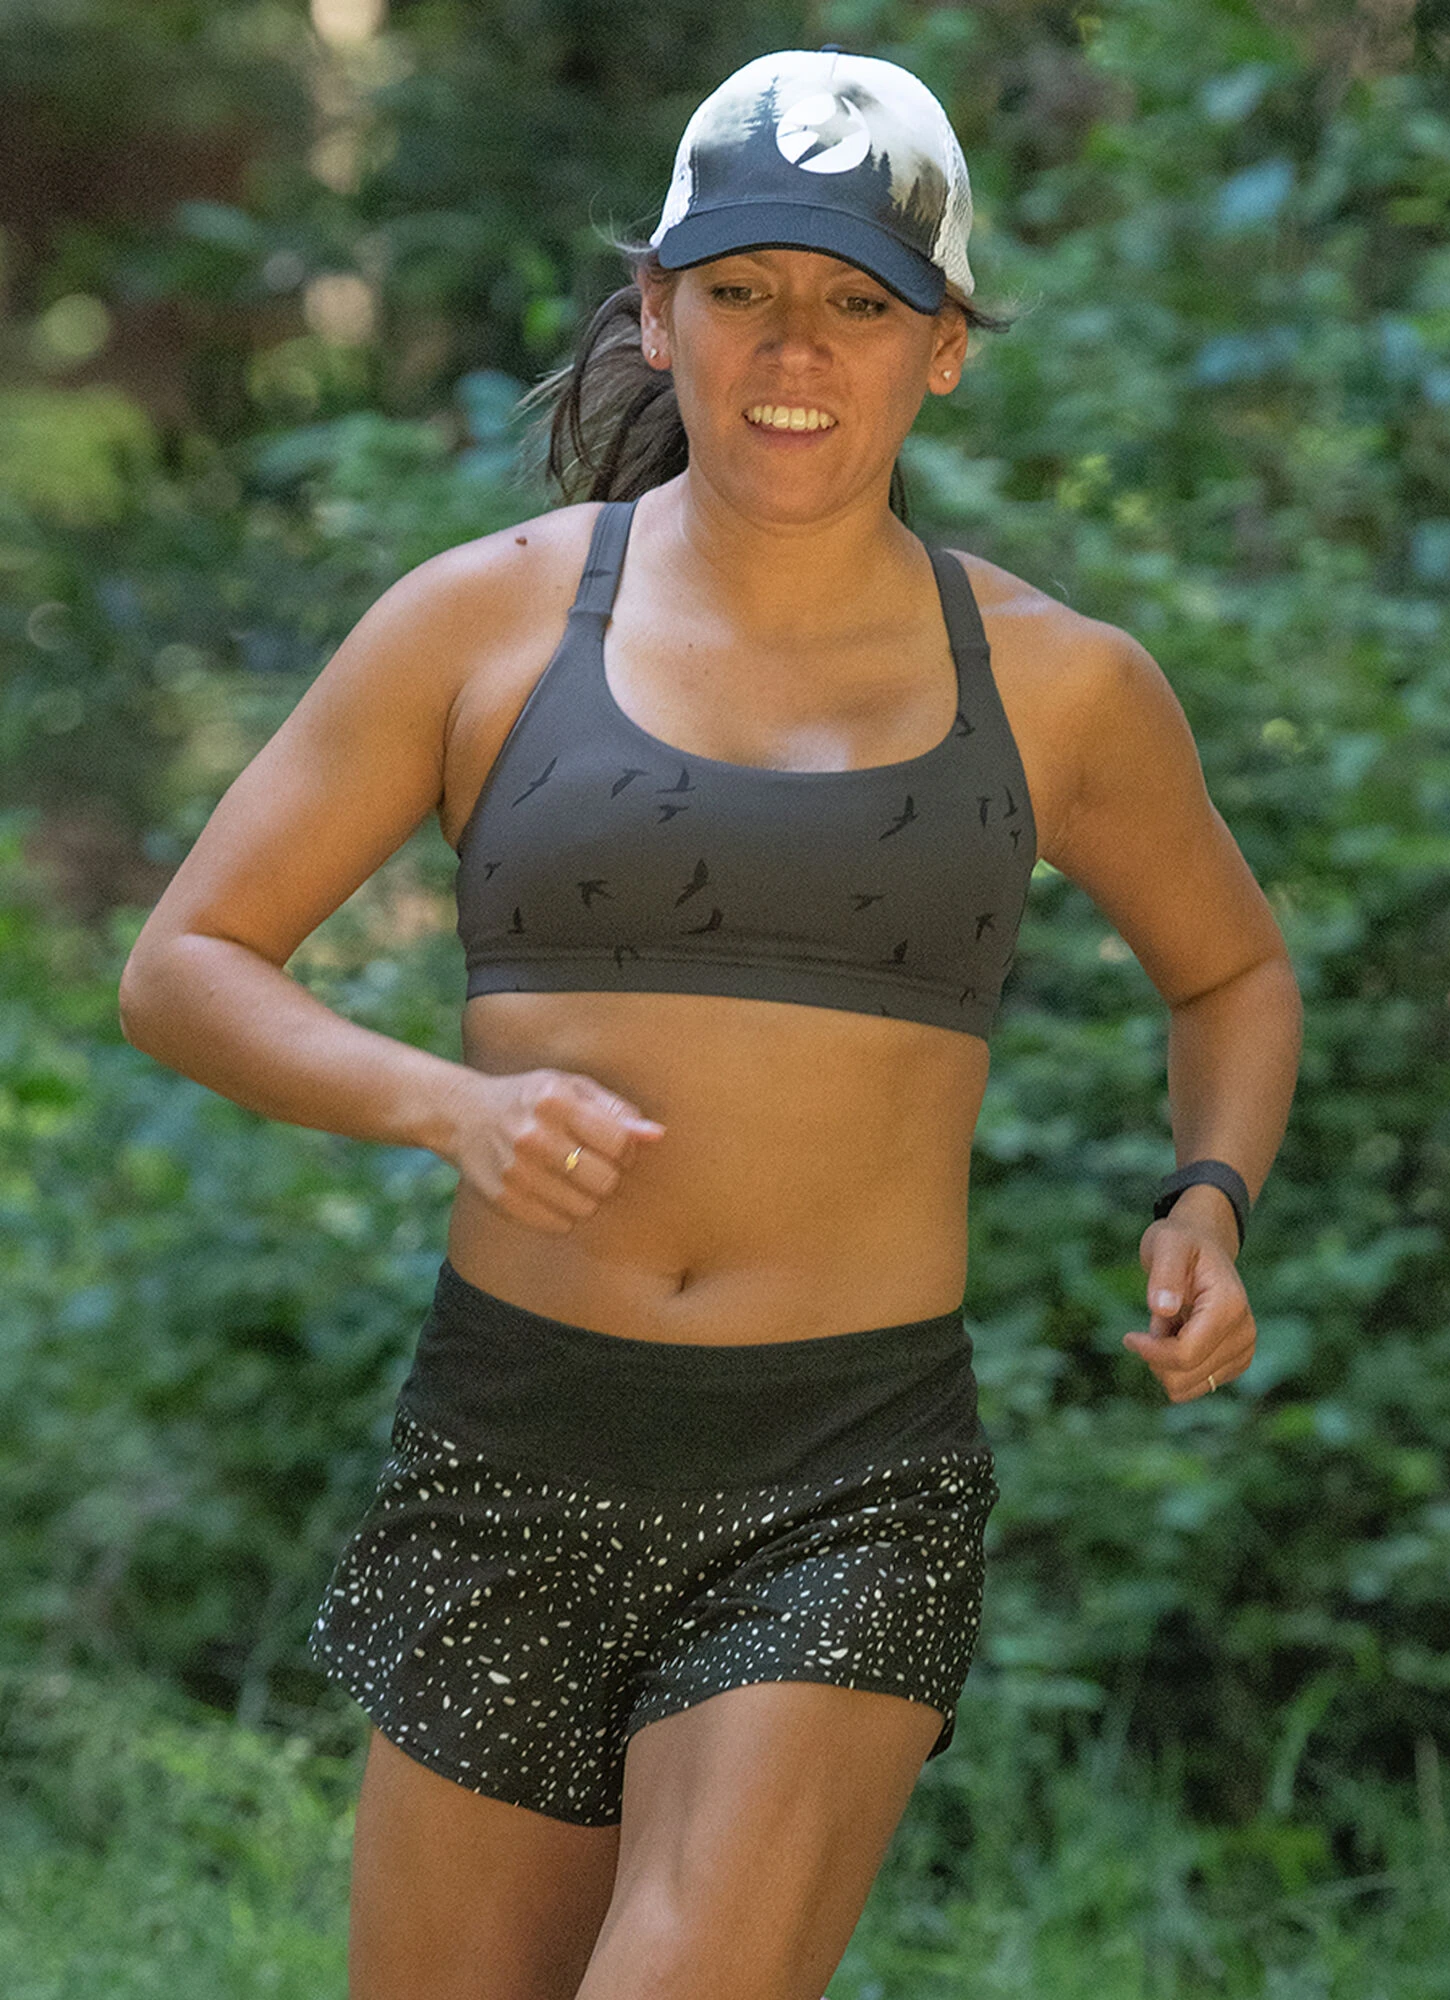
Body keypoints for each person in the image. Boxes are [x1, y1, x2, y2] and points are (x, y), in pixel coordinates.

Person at [118, 44, 1302, 2000]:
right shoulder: (483, 623)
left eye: (861, 303)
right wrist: (443, 1107)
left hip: (845, 1473)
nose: (794, 347)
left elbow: (1233, 972)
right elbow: (186, 965)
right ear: (658, 314)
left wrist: (1211, 1196)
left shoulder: (1063, 686)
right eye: (742, 288)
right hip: (512, 1439)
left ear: (944, 348)